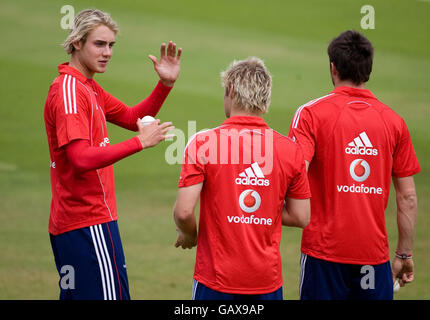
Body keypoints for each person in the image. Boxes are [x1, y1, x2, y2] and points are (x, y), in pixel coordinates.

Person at [44, 9, 181, 299]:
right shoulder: (71, 91)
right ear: (77, 43)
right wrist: (139, 144)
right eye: (99, 44)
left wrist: (165, 84)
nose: (107, 52)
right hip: (87, 221)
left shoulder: (87, 87)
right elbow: (80, 159)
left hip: (82, 222)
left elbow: (133, 117)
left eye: (111, 45)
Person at [289, 30, 421, 300]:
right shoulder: (394, 122)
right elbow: (407, 196)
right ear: (368, 69)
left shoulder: (311, 114)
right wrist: (404, 254)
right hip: (372, 257)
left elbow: (294, 173)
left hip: (323, 255)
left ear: (333, 68)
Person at [173, 57, 311, 300]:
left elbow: (184, 212)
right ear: (265, 98)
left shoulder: (204, 143)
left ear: (232, 91)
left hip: (215, 281)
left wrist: (189, 234)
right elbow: (301, 216)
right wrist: (263, 211)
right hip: (266, 281)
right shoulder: (290, 150)